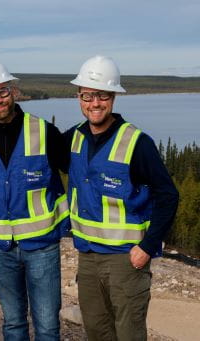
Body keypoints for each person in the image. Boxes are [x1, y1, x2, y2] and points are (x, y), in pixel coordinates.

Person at [65, 55, 179, 341]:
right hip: (88, 259)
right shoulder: (73, 138)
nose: (95, 103)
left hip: (125, 260)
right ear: (79, 97)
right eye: (87, 95)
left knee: (128, 334)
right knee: (97, 332)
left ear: (113, 96)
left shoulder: (137, 143)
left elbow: (168, 195)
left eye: (102, 95)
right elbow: (28, 148)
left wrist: (148, 246)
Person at [0, 59, 70, 340]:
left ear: (14, 91)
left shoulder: (45, 132)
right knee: (13, 323)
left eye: (3, 92)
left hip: (42, 247)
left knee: (47, 326)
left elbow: (83, 174)